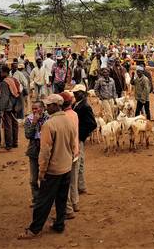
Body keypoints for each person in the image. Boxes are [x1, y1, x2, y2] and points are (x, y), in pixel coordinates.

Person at [18, 94, 77, 239]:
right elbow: (72, 145)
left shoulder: (49, 124)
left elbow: (45, 152)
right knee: (61, 199)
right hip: (66, 167)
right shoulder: (69, 121)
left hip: (53, 169)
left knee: (43, 201)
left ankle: (34, 229)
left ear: (56, 105)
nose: (47, 107)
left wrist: (42, 171)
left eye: (49, 105)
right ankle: (59, 224)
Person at [58, 91, 80, 219]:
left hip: (66, 153)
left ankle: (68, 209)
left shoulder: (63, 117)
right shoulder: (74, 114)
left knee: (63, 182)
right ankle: (75, 202)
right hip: (75, 150)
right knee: (73, 179)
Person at [72, 84, 97, 195]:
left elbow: (92, 124)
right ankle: (80, 186)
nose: (75, 95)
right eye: (74, 93)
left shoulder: (85, 106)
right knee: (79, 162)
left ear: (82, 93)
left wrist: (81, 135)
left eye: (77, 93)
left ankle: (80, 186)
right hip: (77, 137)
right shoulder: (76, 104)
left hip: (79, 137)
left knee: (79, 162)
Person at [24, 101, 49, 207]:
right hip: (34, 150)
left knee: (45, 176)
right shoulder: (29, 119)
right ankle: (36, 198)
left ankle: (45, 199)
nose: (34, 111)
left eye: (36, 108)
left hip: (45, 150)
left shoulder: (48, 118)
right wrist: (34, 122)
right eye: (33, 109)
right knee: (33, 179)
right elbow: (28, 135)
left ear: (43, 108)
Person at [0, 66, 20, 150]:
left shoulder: (4, 83)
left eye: (1, 72)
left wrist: (2, 109)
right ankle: (15, 142)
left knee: (8, 126)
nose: (0, 74)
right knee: (14, 124)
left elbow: (5, 97)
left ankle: (8, 144)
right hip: (15, 105)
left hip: (8, 107)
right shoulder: (13, 80)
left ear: (4, 72)